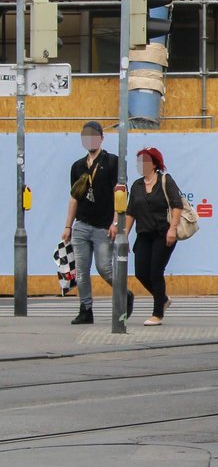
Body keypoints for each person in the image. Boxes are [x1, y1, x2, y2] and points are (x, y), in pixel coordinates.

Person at [62, 120, 128, 324]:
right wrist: (67, 226)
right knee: (81, 270)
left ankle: (126, 295)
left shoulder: (111, 162)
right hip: (81, 224)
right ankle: (86, 309)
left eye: (93, 135)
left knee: (104, 268)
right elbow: (74, 197)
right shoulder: (77, 166)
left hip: (103, 225)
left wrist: (115, 223)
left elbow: (121, 193)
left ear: (101, 138)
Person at [124, 147, 183, 326]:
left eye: (145, 161)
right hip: (144, 234)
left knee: (155, 272)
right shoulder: (137, 185)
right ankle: (163, 299)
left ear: (155, 163)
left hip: (163, 234)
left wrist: (172, 229)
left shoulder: (165, 180)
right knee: (142, 272)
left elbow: (177, 205)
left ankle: (158, 313)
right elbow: (130, 212)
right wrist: (124, 236)